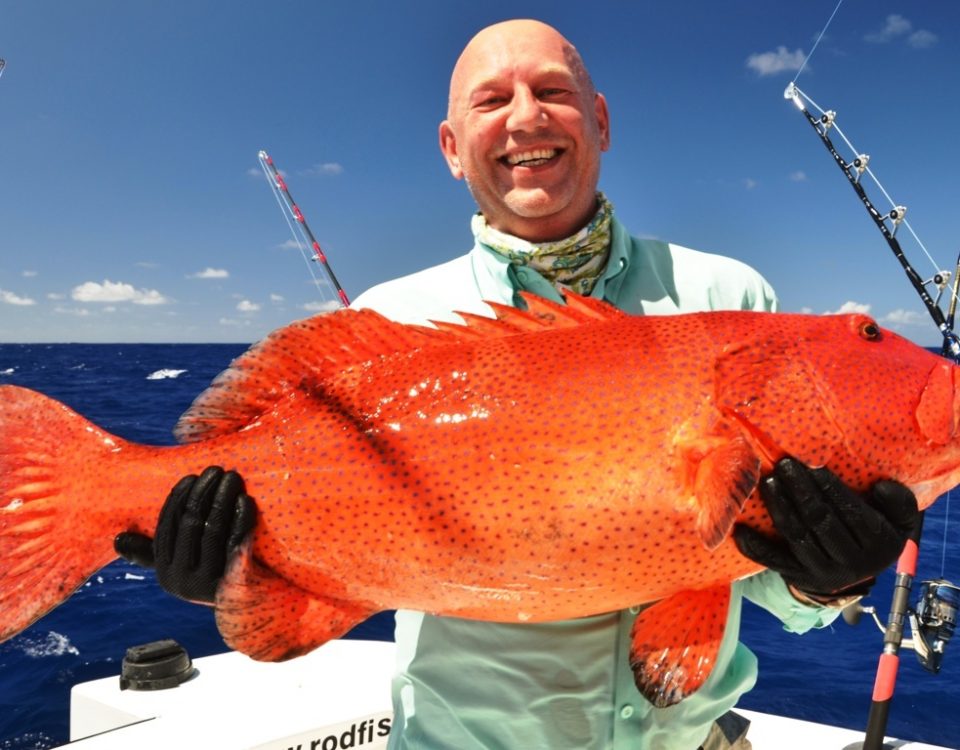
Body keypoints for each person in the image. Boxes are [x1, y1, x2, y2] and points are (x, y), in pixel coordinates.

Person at [115, 19, 919, 750]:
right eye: (492, 100)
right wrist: (221, 566)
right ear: (451, 146)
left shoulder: (730, 300)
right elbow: (302, 550)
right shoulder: (389, 321)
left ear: (599, 121)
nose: (526, 116)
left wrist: (830, 580)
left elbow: (762, 580)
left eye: (553, 92)